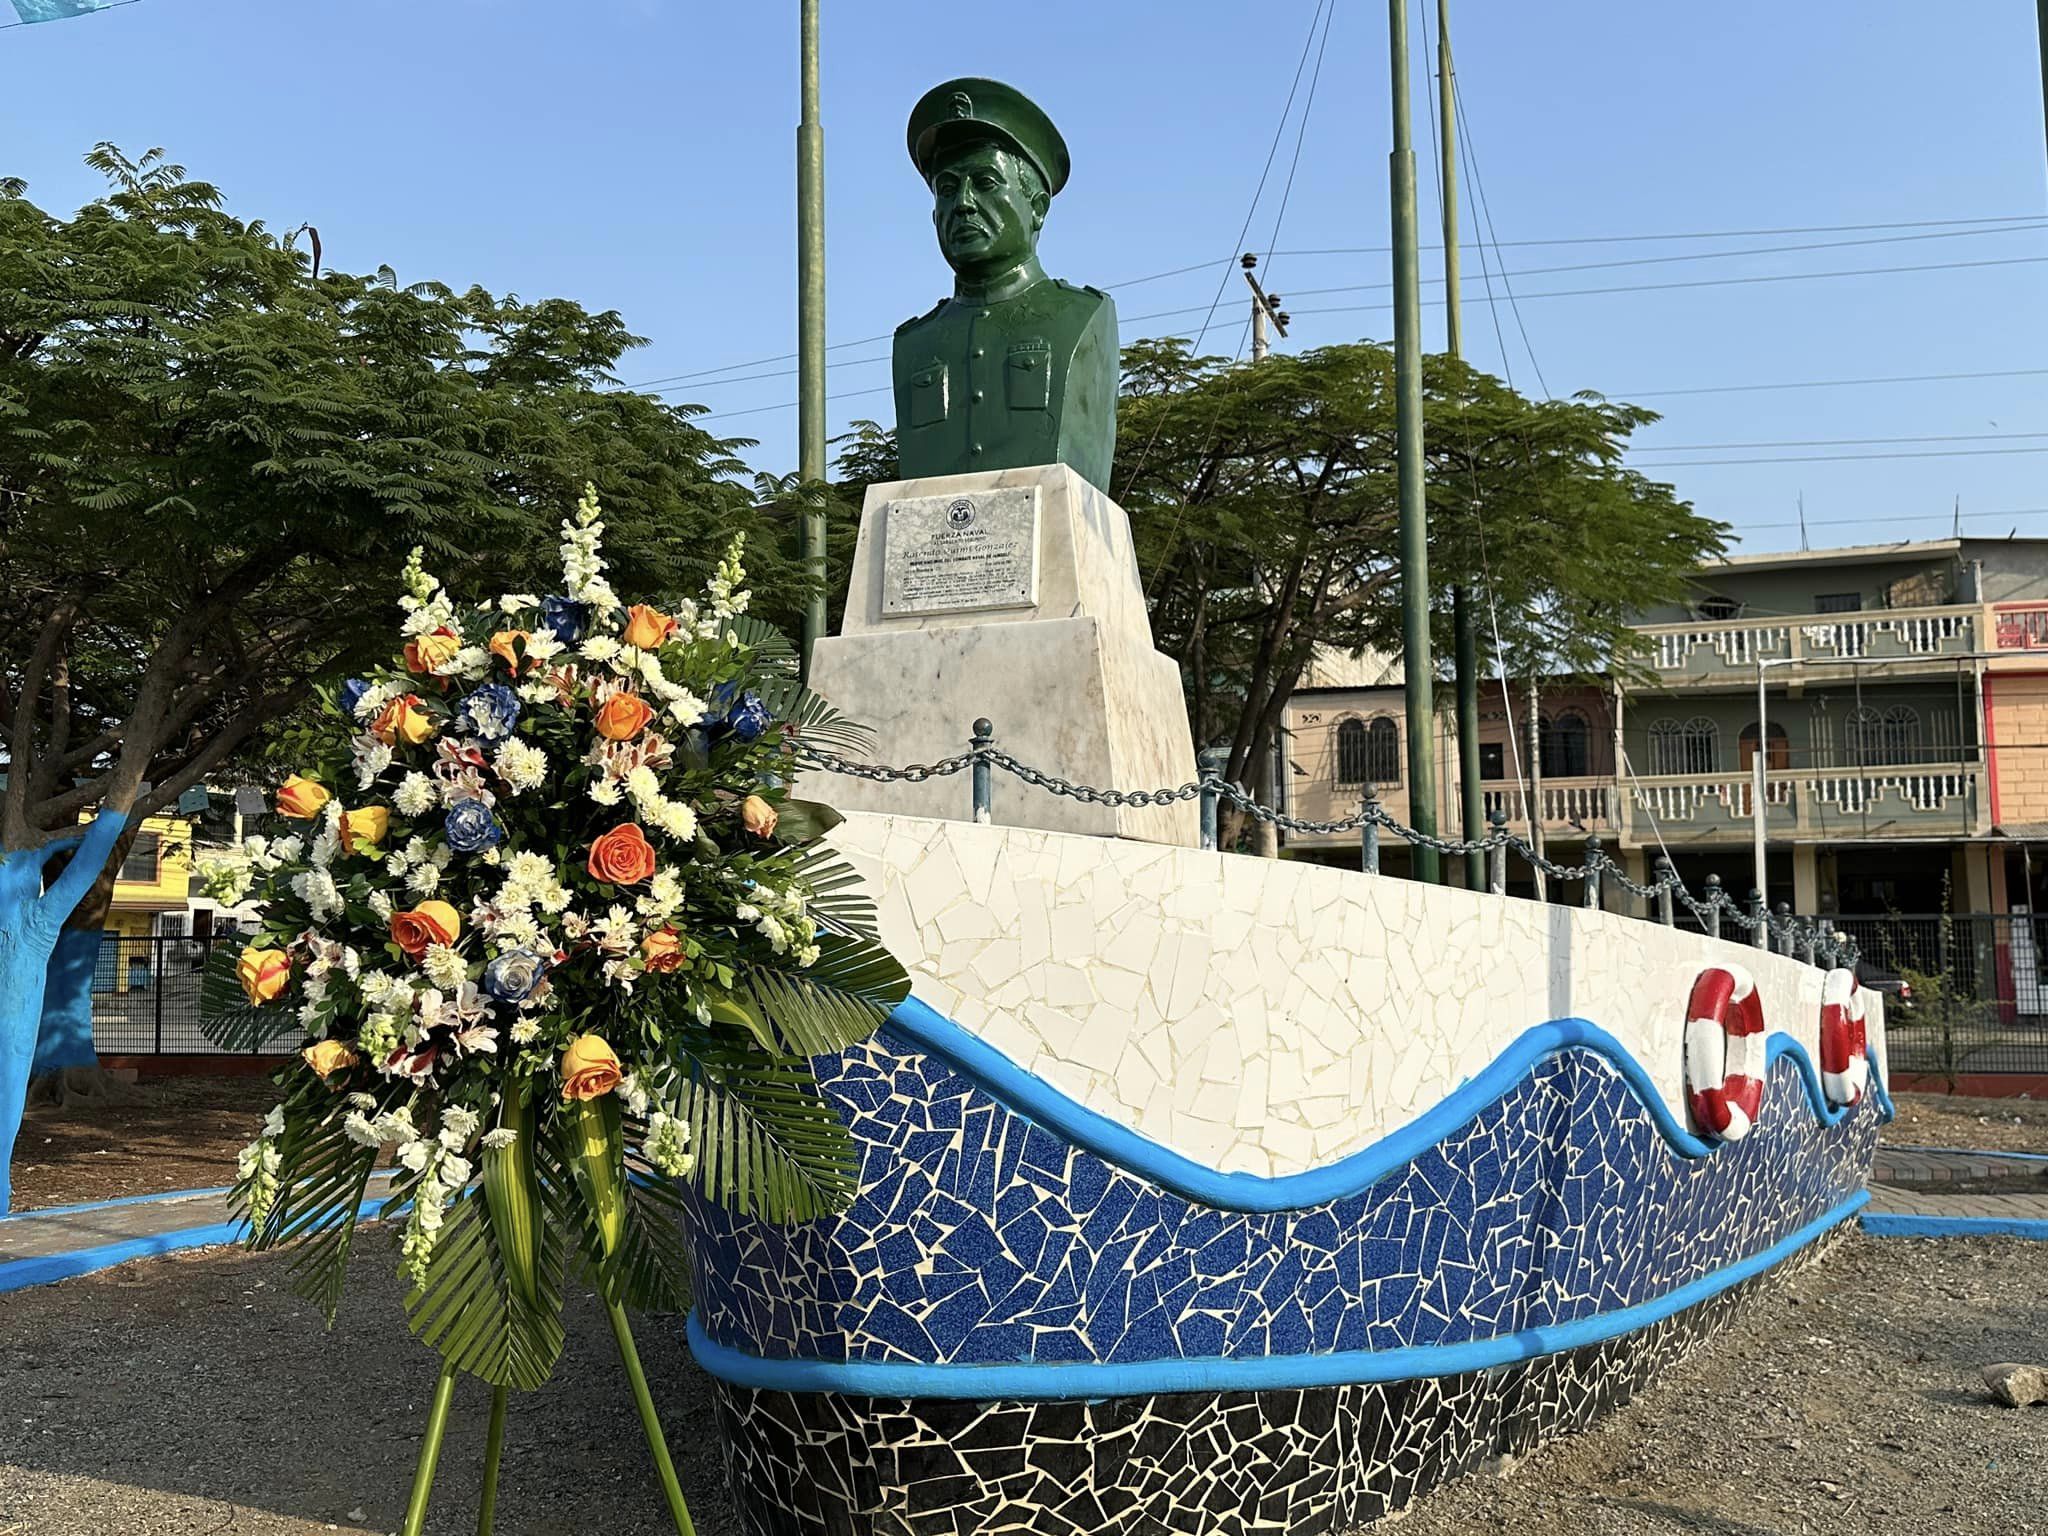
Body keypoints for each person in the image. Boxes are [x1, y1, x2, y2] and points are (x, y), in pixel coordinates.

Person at [893, 77, 1117, 493]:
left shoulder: (1081, 316)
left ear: (1038, 207)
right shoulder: (914, 342)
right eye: (947, 188)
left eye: (985, 182)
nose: (962, 203)